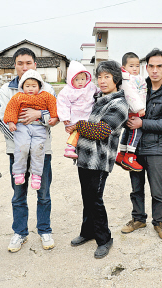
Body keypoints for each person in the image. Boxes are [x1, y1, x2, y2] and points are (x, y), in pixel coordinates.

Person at [0, 48, 57, 252]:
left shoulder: (47, 89)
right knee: (18, 193)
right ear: (14, 65)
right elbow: (3, 120)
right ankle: (20, 232)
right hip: (18, 148)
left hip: (42, 148)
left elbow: (54, 118)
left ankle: (44, 230)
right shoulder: (7, 90)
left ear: (35, 65)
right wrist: (24, 141)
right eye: (20, 63)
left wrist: (38, 114)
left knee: (43, 192)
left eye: (28, 63)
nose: (24, 67)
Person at [121, 49, 162, 240]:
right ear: (145, 67)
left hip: (156, 148)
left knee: (157, 189)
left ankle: (159, 222)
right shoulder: (137, 85)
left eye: (159, 66)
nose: (154, 70)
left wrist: (143, 123)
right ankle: (138, 218)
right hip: (135, 146)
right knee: (136, 187)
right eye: (151, 66)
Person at [69, 60, 128, 259]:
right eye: (99, 77)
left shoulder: (119, 104)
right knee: (87, 196)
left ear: (116, 79)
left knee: (95, 199)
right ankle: (87, 232)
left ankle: (105, 239)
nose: (102, 81)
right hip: (84, 157)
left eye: (107, 77)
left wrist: (78, 124)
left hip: (100, 161)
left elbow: (100, 131)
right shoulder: (95, 99)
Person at [3, 70, 58, 190]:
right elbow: (11, 109)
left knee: (37, 150)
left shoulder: (46, 96)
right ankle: (18, 172)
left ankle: (36, 175)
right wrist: (11, 122)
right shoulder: (18, 97)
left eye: (34, 86)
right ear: (22, 86)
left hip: (39, 127)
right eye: (27, 86)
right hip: (22, 127)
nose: (31, 89)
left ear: (40, 86)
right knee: (21, 148)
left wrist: (54, 118)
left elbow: (54, 106)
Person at [56, 60, 100, 159]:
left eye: (83, 79)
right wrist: (65, 117)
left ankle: (82, 151)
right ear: (71, 79)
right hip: (75, 116)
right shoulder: (67, 91)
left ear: (87, 78)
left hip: (88, 115)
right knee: (76, 132)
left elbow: (98, 91)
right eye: (77, 79)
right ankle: (69, 148)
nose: (80, 82)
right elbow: (62, 104)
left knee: (86, 135)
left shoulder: (90, 87)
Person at [115, 52, 147, 172]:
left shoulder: (130, 78)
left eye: (137, 66)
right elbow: (131, 95)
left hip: (132, 109)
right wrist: (139, 108)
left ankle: (122, 154)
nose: (135, 68)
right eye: (131, 66)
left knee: (128, 132)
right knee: (135, 132)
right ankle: (130, 156)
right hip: (135, 110)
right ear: (124, 68)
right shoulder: (128, 79)